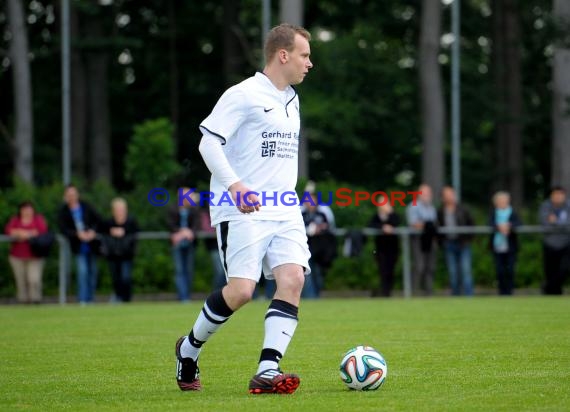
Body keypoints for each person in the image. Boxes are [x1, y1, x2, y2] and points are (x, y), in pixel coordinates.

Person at [175, 23, 313, 395]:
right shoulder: (244, 94)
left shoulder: (292, 98)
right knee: (240, 291)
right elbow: (208, 143)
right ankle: (188, 349)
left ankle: (268, 369)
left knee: (294, 279)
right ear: (282, 55)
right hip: (242, 211)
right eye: (304, 55)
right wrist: (235, 187)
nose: (309, 63)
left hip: (284, 209)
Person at [58, 184, 101, 305]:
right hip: (78, 247)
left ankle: (91, 298)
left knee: (93, 272)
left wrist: (92, 232)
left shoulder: (86, 206)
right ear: (66, 196)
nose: (72, 196)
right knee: (82, 272)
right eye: (69, 194)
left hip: (92, 245)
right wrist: (77, 234)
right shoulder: (64, 211)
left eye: (73, 194)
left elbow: (98, 220)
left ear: (77, 195)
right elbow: (63, 229)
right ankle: (82, 299)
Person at [4, 201, 49, 303]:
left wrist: (22, 233)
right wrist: (26, 233)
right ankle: (23, 301)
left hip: (35, 256)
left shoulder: (38, 219)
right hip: (17, 256)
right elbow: (9, 230)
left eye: (29, 209)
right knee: (21, 281)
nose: (27, 211)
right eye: (25, 209)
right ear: (21, 211)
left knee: (34, 280)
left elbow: (42, 231)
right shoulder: (15, 220)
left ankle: (35, 300)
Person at [437, 186, 475, 296]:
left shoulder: (463, 209)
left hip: (463, 244)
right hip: (449, 243)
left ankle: (469, 296)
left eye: (451, 194)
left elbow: (471, 224)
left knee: (466, 271)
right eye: (446, 195)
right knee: (453, 272)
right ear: (443, 197)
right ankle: (456, 296)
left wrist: (468, 239)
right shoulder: (440, 211)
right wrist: (441, 242)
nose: (449, 197)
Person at [99, 198, 138, 303]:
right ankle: (118, 296)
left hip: (126, 254)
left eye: (122, 209)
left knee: (126, 277)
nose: (120, 211)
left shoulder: (131, 222)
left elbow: (135, 234)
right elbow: (102, 233)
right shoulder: (109, 223)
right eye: (118, 209)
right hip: (113, 255)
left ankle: (126, 298)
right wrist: (111, 232)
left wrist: (124, 232)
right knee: (116, 278)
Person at [168, 188, 200, 302]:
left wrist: (188, 232)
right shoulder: (172, 208)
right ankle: (183, 297)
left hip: (190, 243)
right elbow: (170, 225)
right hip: (176, 243)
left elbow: (197, 225)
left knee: (189, 270)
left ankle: (187, 295)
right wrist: (183, 232)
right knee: (179, 270)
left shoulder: (194, 209)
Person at [301, 192, 335, 298]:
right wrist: (310, 230)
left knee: (318, 274)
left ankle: (318, 295)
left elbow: (329, 227)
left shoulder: (322, 214)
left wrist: (322, 228)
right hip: (306, 249)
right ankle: (311, 297)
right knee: (308, 275)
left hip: (321, 249)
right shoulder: (302, 214)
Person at [406, 183, 438, 296]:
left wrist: (428, 226)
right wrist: (427, 225)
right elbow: (414, 223)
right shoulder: (413, 206)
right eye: (424, 193)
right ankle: (413, 291)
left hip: (429, 239)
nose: (427, 195)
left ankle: (428, 292)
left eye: (428, 193)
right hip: (418, 239)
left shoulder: (431, 207)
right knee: (419, 265)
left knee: (430, 266)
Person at [538, 186, 570, 295]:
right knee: (550, 271)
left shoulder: (568, 206)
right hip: (550, 243)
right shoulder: (545, 206)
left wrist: (555, 222)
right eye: (555, 194)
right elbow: (545, 225)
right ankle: (552, 292)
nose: (558, 197)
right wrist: (562, 224)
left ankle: (552, 289)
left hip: (566, 243)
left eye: (560, 194)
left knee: (564, 269)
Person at [489, 191, 521, 295]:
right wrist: (498, 226)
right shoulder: (493, 213)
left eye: (504, 201)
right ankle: (502, 292)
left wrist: (509, 226)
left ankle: (510, 291)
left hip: (510, 246)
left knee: (511, 270)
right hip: (497, 246)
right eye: (500, 201)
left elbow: (519, 223)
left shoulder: (513, 212)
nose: (503, 203)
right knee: (500, 271)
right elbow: (489, 223)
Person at [368, 193, 400, 297]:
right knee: (382, 270)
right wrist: (383, 227)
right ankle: (384, 291)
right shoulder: (376, 216)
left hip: (393, 248)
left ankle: (388, 291)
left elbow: (397, 222)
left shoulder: (393, 214)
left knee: (391, 270)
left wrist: (390, 214)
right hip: (380, 248)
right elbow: (370, 225)